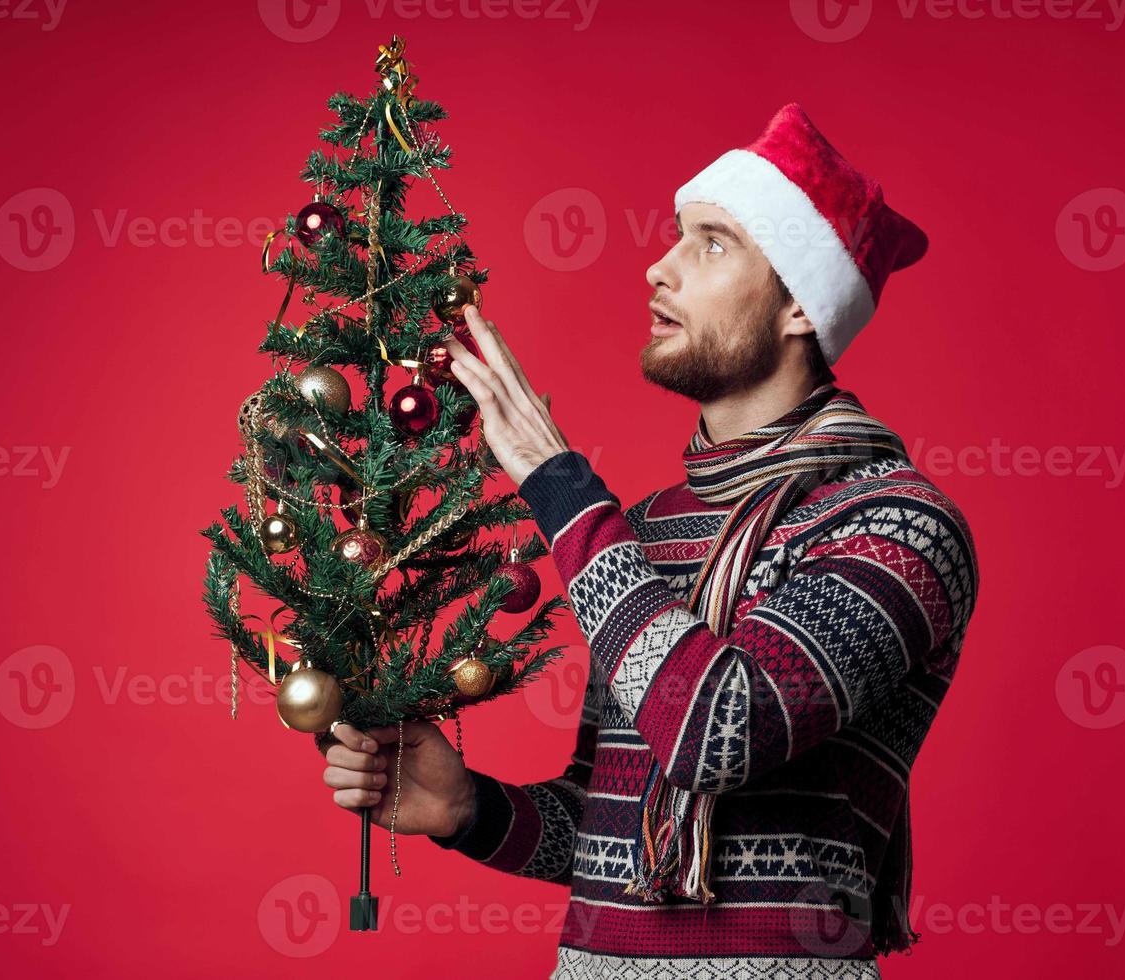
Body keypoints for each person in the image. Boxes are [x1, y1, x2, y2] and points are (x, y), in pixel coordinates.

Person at [319, 103, 980, 979]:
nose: (658, 267)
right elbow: (607, 829)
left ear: (799, 307)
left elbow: (716, 733)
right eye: (676, 235)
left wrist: (561, 487)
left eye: (710, 243)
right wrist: (465, 808)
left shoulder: (898, 523)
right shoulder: (650, 530)